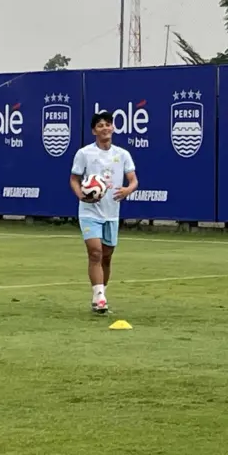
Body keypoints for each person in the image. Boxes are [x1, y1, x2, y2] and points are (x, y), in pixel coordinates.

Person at [69, 111, 138, 315]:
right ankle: (100, 297)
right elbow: (74, 179)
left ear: (113, 128)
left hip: (112, 212)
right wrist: (82, 195)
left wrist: (127, 189)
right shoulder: (84, 154)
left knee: (107, 256)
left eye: (108, 124)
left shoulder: (122, 154)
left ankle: (99, 293)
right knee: (95, 252)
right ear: (93, 131)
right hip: (89, 210)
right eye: (100, 125)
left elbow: (133, 180)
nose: (105, 128)